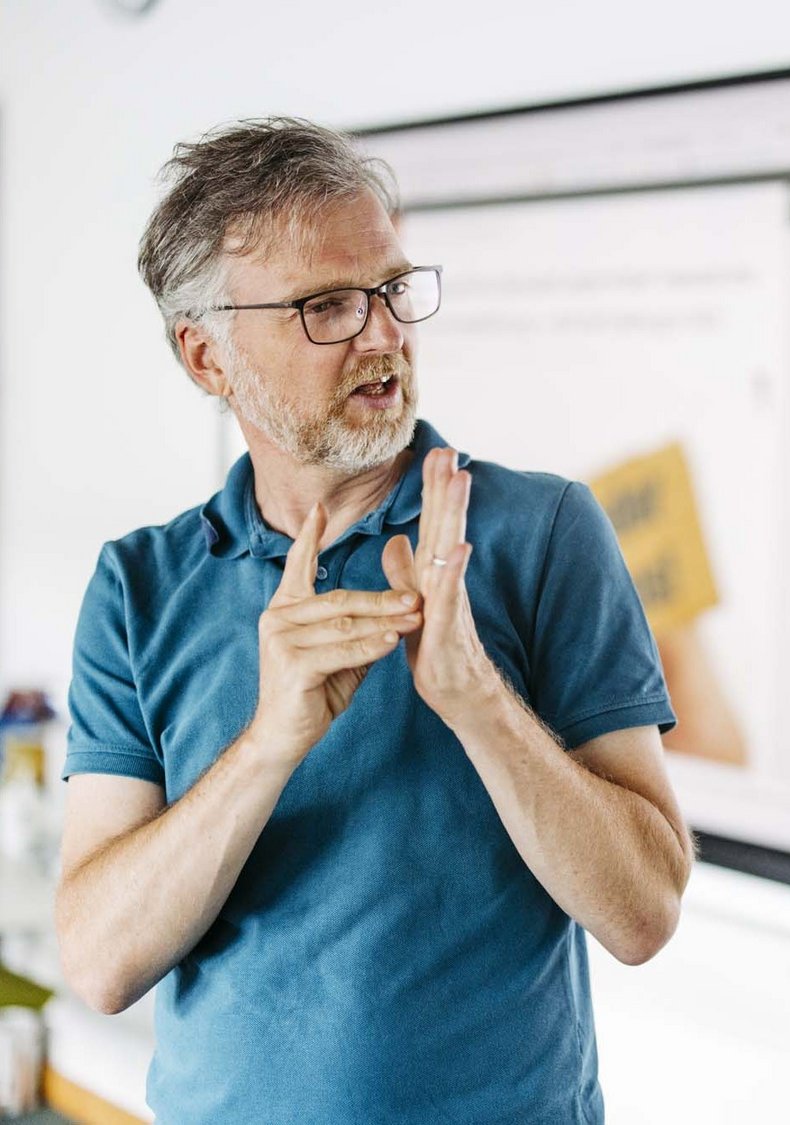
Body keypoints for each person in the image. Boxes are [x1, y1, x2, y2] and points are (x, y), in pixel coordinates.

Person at [53, 117, 692, 1124]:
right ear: (207, 359)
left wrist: (479, 703)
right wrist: (269, 743)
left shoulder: (543, 532)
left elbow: (645, 912)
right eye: (327, 307)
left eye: (392, 290)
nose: (384, 333)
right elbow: (97, 959)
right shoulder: (139, 584)